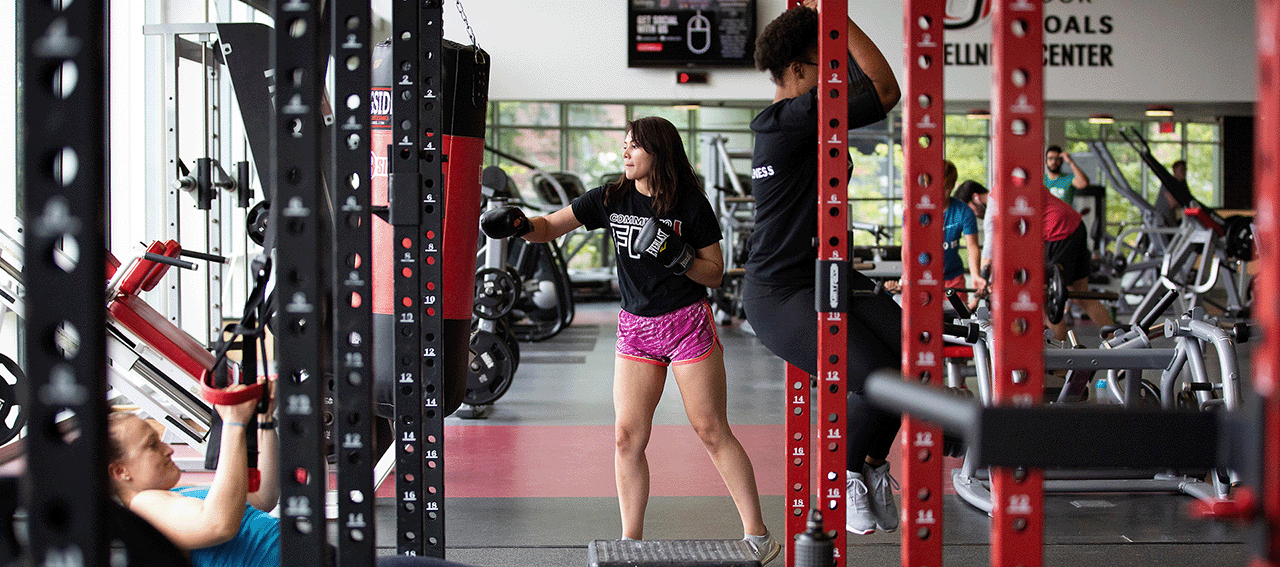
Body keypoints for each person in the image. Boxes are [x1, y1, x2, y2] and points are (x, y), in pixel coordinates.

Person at [479, 116, 779, 564]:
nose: (625, 153)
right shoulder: (610, 197)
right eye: (624, 145)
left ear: (657, 153)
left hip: (686, 322)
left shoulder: (691, 205)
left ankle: (759, 535)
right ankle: (631, 541)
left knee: (710, 428)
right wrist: (522, 223)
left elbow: (714, 274)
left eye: (633, 147)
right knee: (626, 437)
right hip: (636, 327)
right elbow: (549, 227)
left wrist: (678, 257)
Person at [744, 1, 903, 535]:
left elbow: (869, 89)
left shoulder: (803, 116)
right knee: (875, 379)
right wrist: (833, 18)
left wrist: (826, 30)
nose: (832, 78)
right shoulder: (786, 120)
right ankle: (846, 475)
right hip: (780, 293)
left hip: (825, 274)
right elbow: (884, 92)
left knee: (911, 356)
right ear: (795, 70)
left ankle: (872, 464)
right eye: (823, 65)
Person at [107, 381, 472, 567]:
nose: (168, 448)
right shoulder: (143, 506)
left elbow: (264, 496)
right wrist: (233, 424)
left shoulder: (177, 495)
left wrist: (265, 418)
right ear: (121, 471)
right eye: (152, 446)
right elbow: (218, 524)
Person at [1041, 185, 1115, 341]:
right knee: (1081, 294)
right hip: (1074, 224)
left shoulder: (999, 192)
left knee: (1050, 298)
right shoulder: (1019, 178)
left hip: (1058, 229)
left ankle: (1059, 362)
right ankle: (1119, 345)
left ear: (975, 198)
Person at [940, 162, 988, 306]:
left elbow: (972, 246)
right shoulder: (914, 210)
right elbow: (908, 246)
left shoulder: (964, 211)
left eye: (945, 188)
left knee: (958, 322)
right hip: (921, 277)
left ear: (952, 186)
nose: (939, 193)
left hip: (953, 276)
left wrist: (975, 275)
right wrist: (907, 274)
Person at [1154, 159, 1187, 227]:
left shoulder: (1182, 185)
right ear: (1174, 171)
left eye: (1185, 170)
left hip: (1171, 221)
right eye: (1182, 170)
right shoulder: (1167, 184)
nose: (1184, 172)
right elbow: (1173, 203)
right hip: (1162, 222)